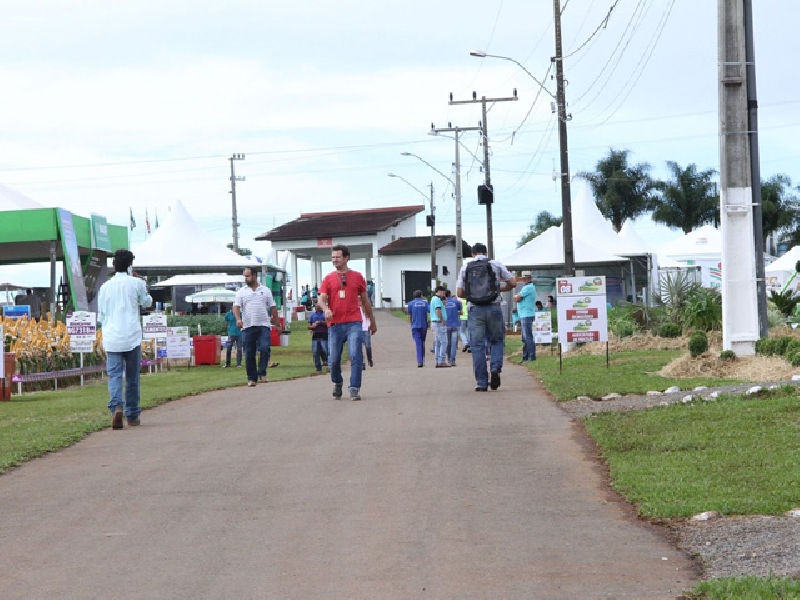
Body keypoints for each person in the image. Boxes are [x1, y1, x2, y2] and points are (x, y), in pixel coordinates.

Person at [97, 249, 153, 429]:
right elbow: (147, 303)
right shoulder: (136, 283)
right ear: (130, 265)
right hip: (131, 336)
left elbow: (101, 316)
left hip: (112, 336)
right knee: (132, 377)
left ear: (114, 265)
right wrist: (145, 286)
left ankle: (116, 407)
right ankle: (133, 414)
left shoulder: (105, 287)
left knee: (114, 375)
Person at [318, 244, 377, 400]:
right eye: (332, 257)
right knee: (334, 359)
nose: (334, 260)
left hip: (354, 322)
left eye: (337, 257)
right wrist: (326, 309)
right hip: (335, 324)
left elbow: (365, 301)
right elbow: (321, 298)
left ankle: (354, 387)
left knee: (355, 354)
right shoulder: (328, 278)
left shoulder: (357, 277)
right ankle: (337, 382)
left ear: (346, 258)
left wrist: (372, 321)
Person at [456, 243, 517, 392]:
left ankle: (482, 382)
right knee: (496, 340)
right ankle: (495, 368)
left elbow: (459, 293)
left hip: (475, 309)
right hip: (494, 307)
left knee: (477, 346)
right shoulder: (495, 264)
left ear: (472, 254)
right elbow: (513, 283)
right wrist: (498, 290)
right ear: (486, 252)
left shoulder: (466, 267)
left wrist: (472, 296)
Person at [233, 266, 279, 387]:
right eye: (245, 276)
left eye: (247, 276)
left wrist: (278, 323)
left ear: (254, 276)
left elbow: (273, 307)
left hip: (263, 325)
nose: (246, 278)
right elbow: (236, 307)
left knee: (264, 348)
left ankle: (262, 373)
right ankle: (252, 378)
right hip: (248, 326)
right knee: (249, 353)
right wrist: (238, 319)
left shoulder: (265, 290)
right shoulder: (241, 292)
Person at [514, 271, 537, 362]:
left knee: (527, 336)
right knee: (525, 337)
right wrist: (518, 297)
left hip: (526, 314)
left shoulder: (528, 287)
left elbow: (517, 298)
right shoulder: (528, 287)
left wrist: (517, 297)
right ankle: (526, 356)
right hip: (525, 314)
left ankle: (531, 355)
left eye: (525, 278)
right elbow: (517, 298)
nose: (523, 279)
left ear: (529, 278)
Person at [407, 289, 429, 367]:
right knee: (422, 342)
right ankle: (422, 359)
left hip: (415, 325)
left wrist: (411, 323)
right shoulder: (425, 303)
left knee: (418, 343)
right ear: (421, 295)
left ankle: (420, 360)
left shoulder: (411, 304)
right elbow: (429, 311)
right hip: (424, 325)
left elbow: (409, 315)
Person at [430, 285, 449, 367]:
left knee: (437, 342)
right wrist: (442, 320)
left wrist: (444, 302)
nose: (444, 294)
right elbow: (438, 310)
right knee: (444, 342)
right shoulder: (437, 300)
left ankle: (438, 360)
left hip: (435, 322)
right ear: (440, 291)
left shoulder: (433, 299)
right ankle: (442, 360)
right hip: (439, 323)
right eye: (443, 292)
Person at [307, 303, 328, 371]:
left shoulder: (325, 314)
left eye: (319, 306)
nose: (317, 307)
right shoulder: (312, 315)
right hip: (315, 335)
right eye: (316, 306)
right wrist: (312, 327)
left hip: (324, 335)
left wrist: (320, 322)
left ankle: (330, 364)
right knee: (315, 352)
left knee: (326, 350)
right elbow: (308, 326)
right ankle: (318, 367)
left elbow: (329, 323)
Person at [444, 289, 462, 366]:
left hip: (446, 324)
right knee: (454, 343)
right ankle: (453, 359)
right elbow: (460, 311)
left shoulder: (443, 303)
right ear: (450, 294)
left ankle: (448, 359)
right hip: (455, 324)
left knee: (448, 343)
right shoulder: (456, 302)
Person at [360, 304, 374, 370]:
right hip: (358, 330)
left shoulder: (366, 308)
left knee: (368, 346)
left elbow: (370, 318)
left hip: (366, 329)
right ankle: (362, 363)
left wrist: (369, 326)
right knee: (359, 348)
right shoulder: (355, 308)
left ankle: (369, 359)